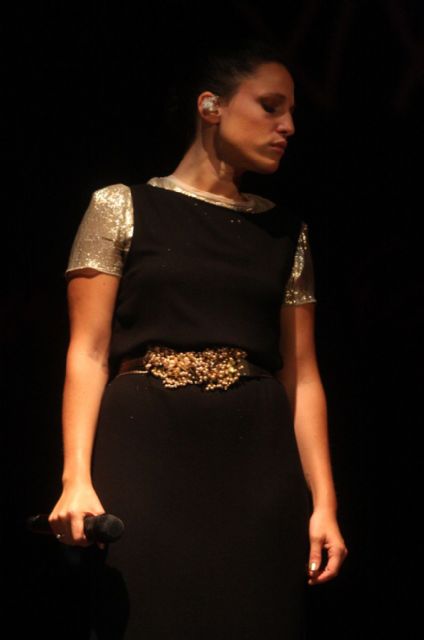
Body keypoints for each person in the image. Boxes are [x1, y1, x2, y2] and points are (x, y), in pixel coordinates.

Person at [48, 37, 348, 639]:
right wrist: (74, 477)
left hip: (257, 465)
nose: (288, 127)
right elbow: (88, 351)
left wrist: (324, 504)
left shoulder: (285, 233)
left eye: (291, 112)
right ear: (211, 106)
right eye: (270, 106)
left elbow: (302, 373)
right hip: (146, 449)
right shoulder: (120, 206)